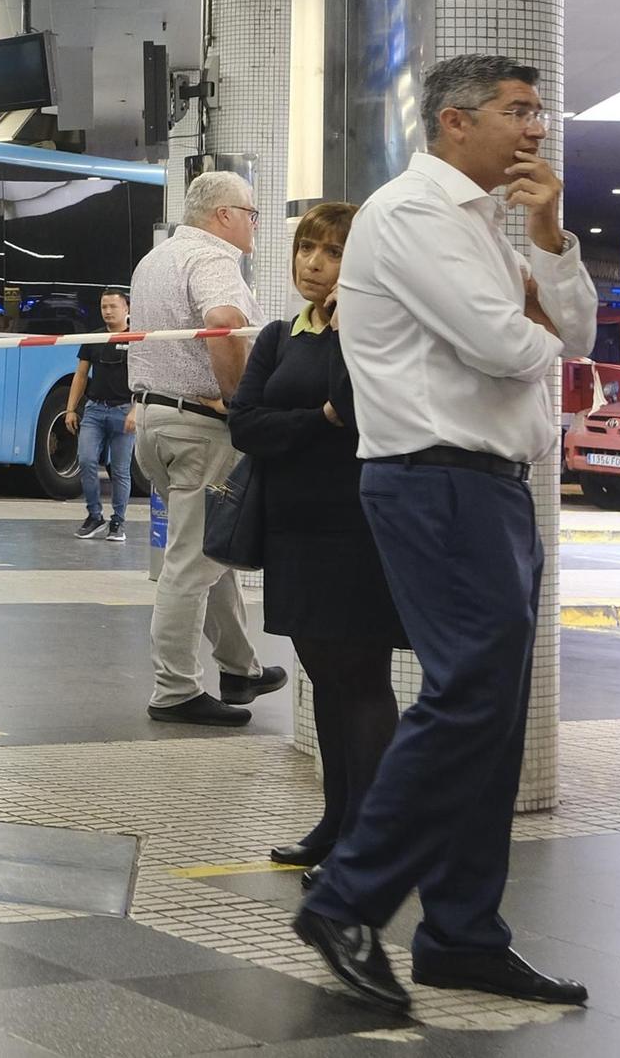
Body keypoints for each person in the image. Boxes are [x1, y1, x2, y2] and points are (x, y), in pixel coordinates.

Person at [293, 56, 596, 1012]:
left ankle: (462, 934)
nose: (536, 128)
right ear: (455, 123)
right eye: (518, 110)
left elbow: (571, 334)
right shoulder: (412, 214)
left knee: (494, 717)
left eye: (539, 111)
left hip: (494, 487)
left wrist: (549, 244)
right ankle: (346, 900)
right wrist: (530, 324)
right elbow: (506, 347)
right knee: (467, 697)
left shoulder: (483, 227)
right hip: (435, 481)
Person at [228, 202, 407, 880]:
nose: (313, 262)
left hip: (357, 527)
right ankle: (336, 821)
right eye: (308, 247)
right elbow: (245, 423)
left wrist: (348, 316)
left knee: (362, 681)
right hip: (293, 531)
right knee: (325, 681)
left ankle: (369, 841)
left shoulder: (366, 331)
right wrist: (317, 420)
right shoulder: (278, 334)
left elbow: (356, 407)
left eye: (332, 252)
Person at [128, 170, 285, 726]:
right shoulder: (215, 258)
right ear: (223, 215)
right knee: (193, 563)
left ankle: (240, 666)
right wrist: (240, 400)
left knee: (213, 549)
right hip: (199, 428)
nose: (254, 225)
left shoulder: (156, 259)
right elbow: (223, 323)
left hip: (155, 423)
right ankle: (174, 690)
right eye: (251, 213)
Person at [62, 289, 135, 541]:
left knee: (120, 469)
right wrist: (71, 408)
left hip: (124, 411)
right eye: (104, 306)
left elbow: (145, 379)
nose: (107, 311)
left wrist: (137, 411)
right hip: (94, 410)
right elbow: (81, 375)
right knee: (86, 460)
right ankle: (94, 515)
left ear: (127, 308)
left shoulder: (138, 339)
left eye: (113, 306)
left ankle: (118, 521)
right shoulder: (93, 338)